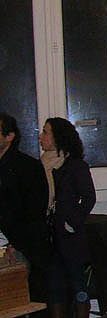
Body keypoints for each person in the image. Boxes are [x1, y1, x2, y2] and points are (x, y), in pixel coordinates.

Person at [39, 118, 96, 318]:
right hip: (50, 234)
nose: (41, 137)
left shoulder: (75, 165)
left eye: (46, 132)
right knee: (54, 285)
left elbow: (89, 197)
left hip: (70, 235)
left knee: (78, 283)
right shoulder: (41, 165)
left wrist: (73, 221)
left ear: (58, 137)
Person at [0, 113, 50, 301]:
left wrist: (16, 243)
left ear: (9, 136)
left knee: (17, 298)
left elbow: (35, 210)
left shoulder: (27, 166)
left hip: (19, 246)